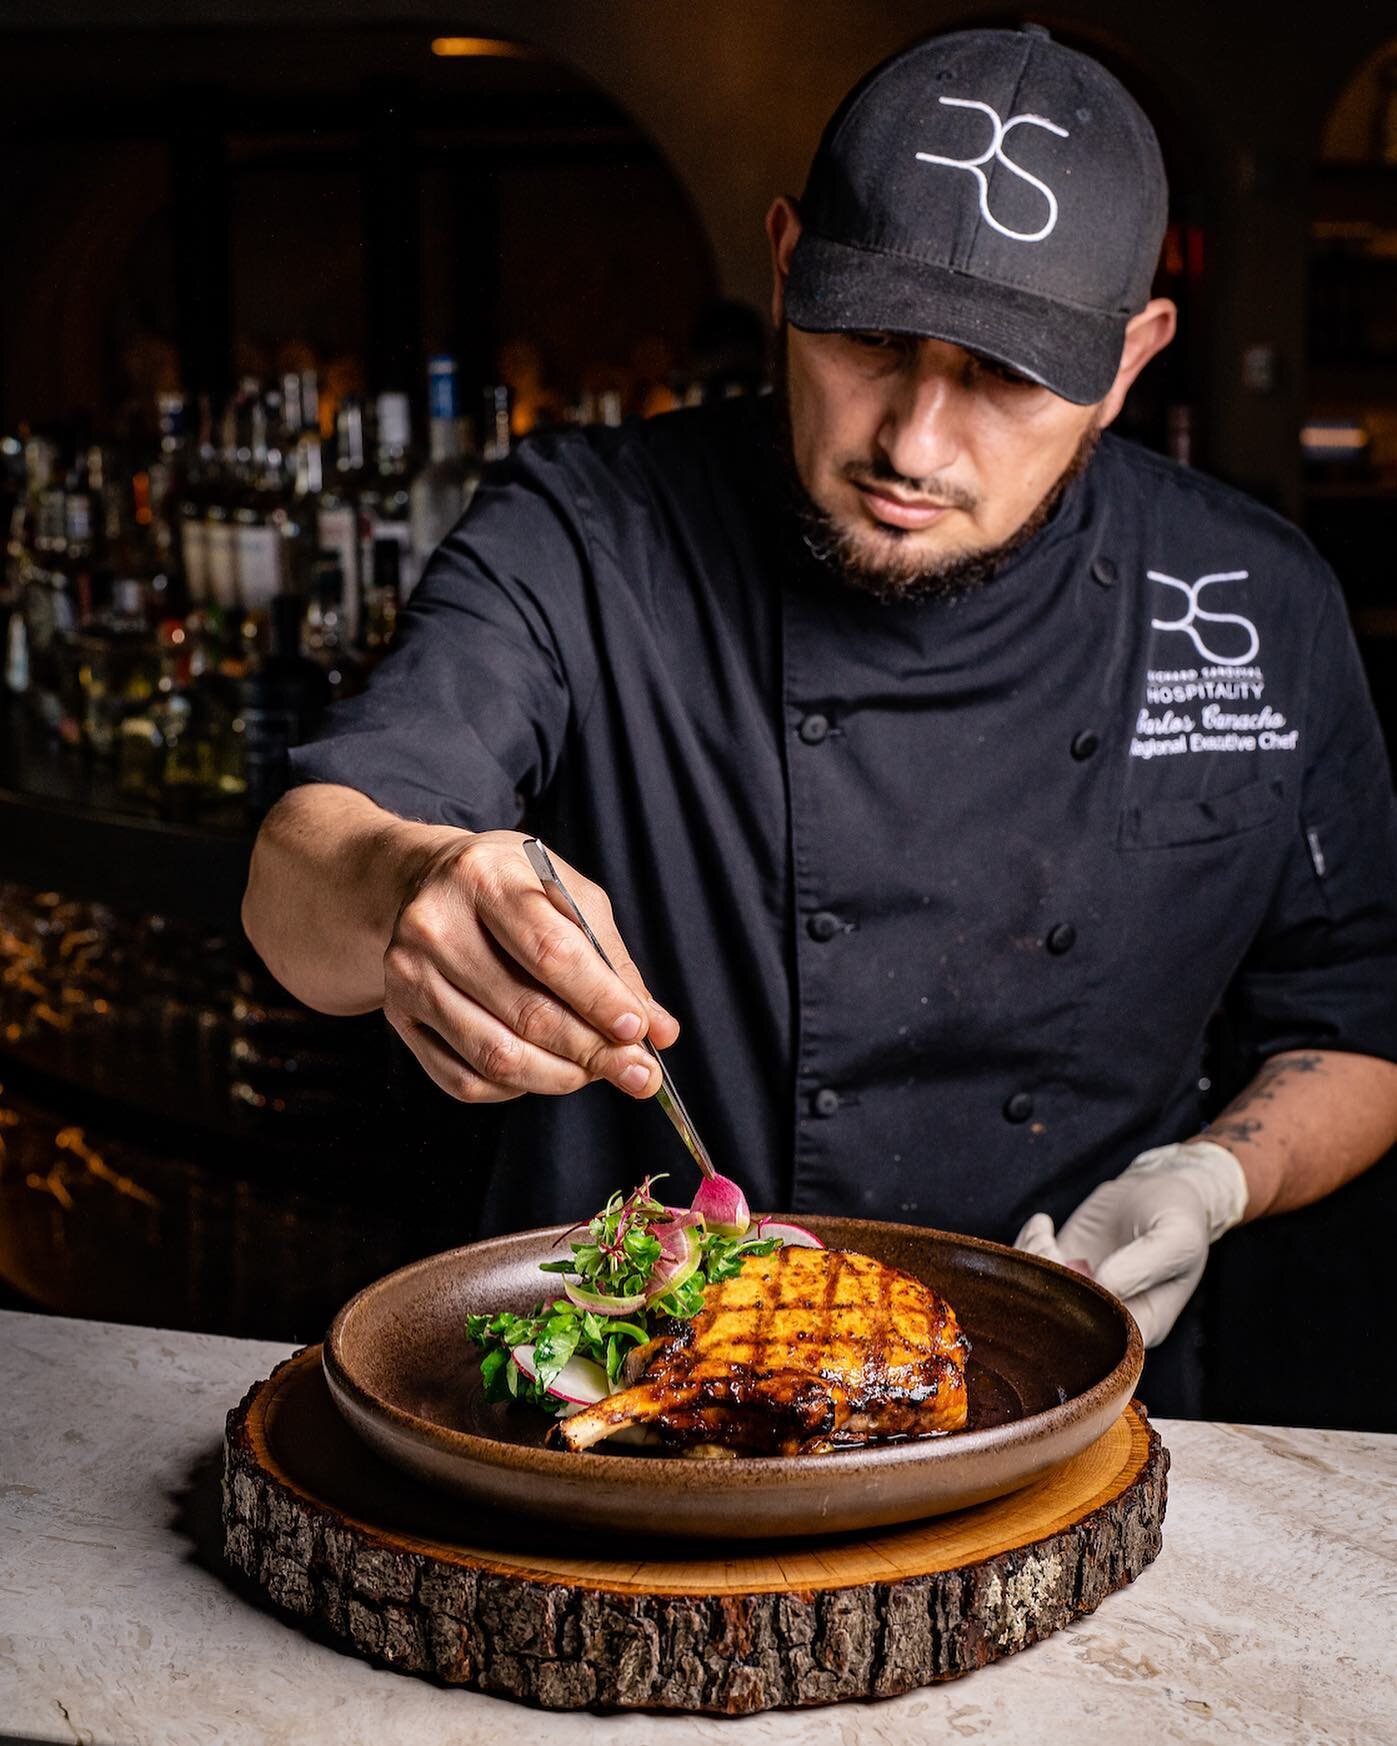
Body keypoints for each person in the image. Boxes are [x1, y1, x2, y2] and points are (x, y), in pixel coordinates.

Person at [243, 26, 1397, 1412]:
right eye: (866, 340)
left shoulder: (1250, 599)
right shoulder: (587, 527)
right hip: (634, 1424)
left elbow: (1358, 1019)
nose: (912, 441)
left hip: (1071, 1412)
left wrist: (1213, 1179)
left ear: (1129, 358)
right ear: (787, 261)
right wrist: (411, 881)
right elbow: (298, 871)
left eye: (1001, 378)